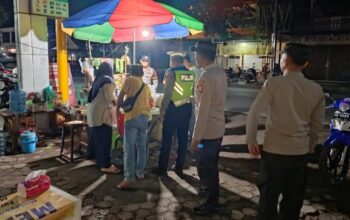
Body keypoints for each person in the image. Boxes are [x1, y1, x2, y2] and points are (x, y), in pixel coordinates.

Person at [246, 43, 325, 220]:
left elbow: (254, 113)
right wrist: (310, 145)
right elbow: (316, 125)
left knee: (268, 199)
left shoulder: (274, 84)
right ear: (305, 64)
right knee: (293, 201)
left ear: (285, 61)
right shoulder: (316, 89)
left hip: (274, 152)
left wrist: (251, 139)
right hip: (299, 154)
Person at [191, 41, 227, 215]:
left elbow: (203, 109)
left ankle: (212, 202)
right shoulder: (220, 72)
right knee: (210, 165)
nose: (195, 57)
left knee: (206, 166)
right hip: (217, 128)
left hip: (207, 132)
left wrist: (196, 138)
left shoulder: (207, 76)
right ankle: (210, 193)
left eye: (196, 54)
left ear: (202, 56)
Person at [152, 54, 194, 177]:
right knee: (182, 139)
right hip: (186, 108)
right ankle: (179, 167)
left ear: (173, 61)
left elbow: (167, 93)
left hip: (173, 109)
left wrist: (161, 110)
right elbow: (191, 92)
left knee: (167, 140)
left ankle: (162, 168)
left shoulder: (171, 72)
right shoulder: (191, 73)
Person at [116, 65, 153, 189]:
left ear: (131, 72)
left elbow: (120, 97)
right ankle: (140, 172)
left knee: (129, 148)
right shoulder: (146, 85)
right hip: (144, 117)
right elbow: (151, 101)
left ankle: (129, 178)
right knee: (142, 146)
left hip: (132, 117)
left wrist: (117, 110)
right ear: (142, 74)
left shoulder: (129, 80)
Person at [87, 62, 121, 174]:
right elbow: (110, 97)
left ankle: (100, 161)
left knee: (98, 140)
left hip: (93, 113)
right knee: (105, 140)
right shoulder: (108, 80)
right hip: (101, 115)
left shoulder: (98, 79)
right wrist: (120, 105)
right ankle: (106, 165)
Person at [183, 54, 202, 141]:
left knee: (191, 119)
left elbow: (186, 87)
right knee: (195, 118)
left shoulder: (190, 71)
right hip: (198, 97)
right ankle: (194, 136)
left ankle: (191, 137)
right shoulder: (198, 70)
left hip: (192, 98)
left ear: (185, 61)